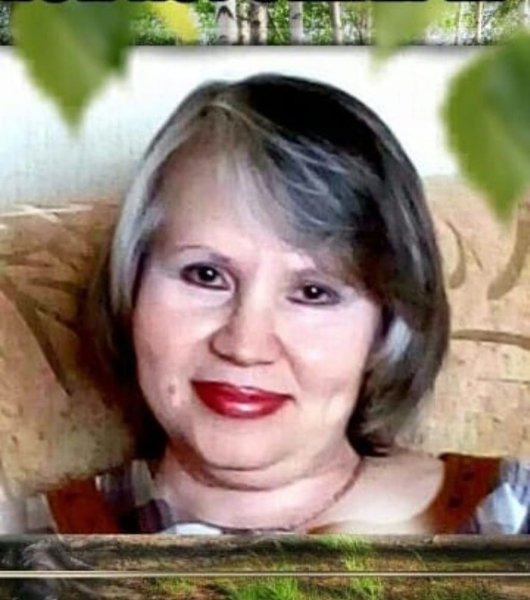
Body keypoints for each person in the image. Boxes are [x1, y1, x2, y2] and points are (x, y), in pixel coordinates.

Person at [17, 74, 530, 535]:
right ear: (131, 286)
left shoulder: (509, 512)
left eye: (313, 292)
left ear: (387, 327)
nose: (245, 345)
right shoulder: (36, 547)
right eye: (206, 275)